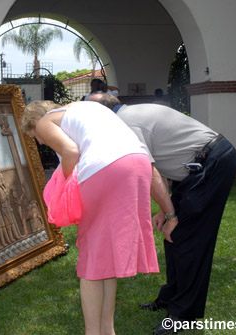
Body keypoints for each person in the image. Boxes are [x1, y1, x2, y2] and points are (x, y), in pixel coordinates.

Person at [87, 93, 236, 335]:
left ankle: (184, 316)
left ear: (101, 114)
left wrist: (171, 215)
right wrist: (165, 210)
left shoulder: (125, 126)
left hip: (211, 163)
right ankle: (170, 298)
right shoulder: (128, 115)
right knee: (175, 237)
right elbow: (164, 157)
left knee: (190, 240)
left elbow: (149, 172)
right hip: (192, 167)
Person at [21, 100, 159, 335]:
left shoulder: (46, 121)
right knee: (105, 259)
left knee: (91, 261)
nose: (41, 141)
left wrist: (66, 188)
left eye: (36, 136)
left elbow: (71, 152)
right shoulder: (83, 110)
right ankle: (107, 330)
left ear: (35, 123)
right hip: (139, 163)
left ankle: (92, 332)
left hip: (105, 169)